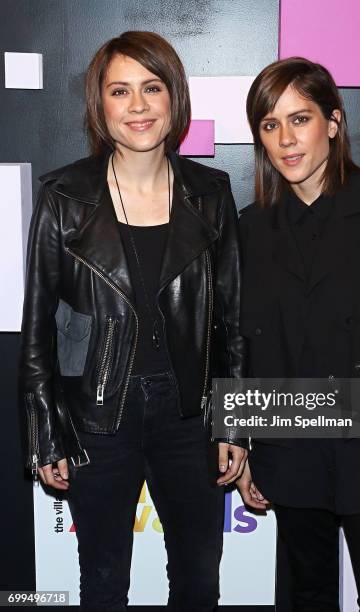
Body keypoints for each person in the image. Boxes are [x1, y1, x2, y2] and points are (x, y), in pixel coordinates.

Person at [19, 31, 247, 611]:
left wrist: (235, 424)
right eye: (121, 91)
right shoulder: (63, 197)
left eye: (152, 87)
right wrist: (46, 431)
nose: (138, 106)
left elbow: (233, 323)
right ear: (101, 104)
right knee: (103, 582)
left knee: (199, 583)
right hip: (97, 415)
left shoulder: (211, 194)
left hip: (189, 418)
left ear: (175, 99)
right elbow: (38, 329)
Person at [236, 57, 360, 611]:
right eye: (270, 125)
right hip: (289, 445)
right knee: (305, 597)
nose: (286, 139)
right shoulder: (252, 227)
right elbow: (249, 343)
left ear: (334, 121)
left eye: (300, 119)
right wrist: (250, 447)